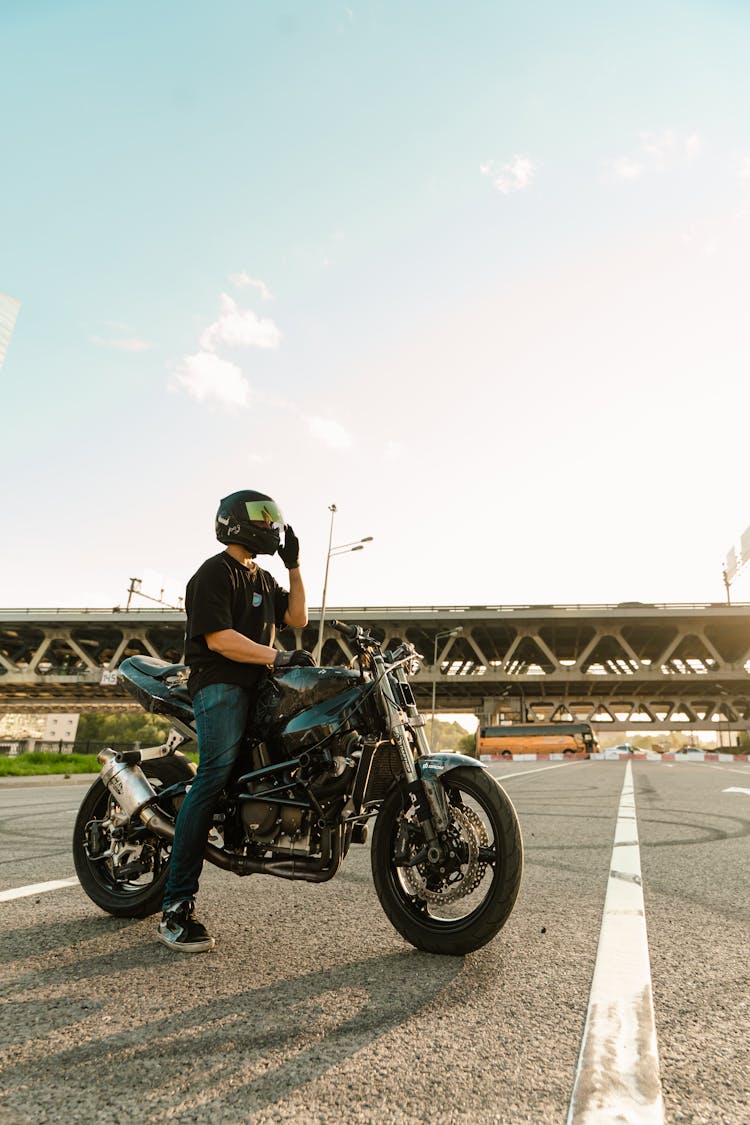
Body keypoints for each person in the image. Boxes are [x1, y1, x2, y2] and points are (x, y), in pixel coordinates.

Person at [157, 489, 312, 953]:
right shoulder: (214, 572)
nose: (271, 526)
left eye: (274, 519)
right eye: (263, 518)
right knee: (213, 775)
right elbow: (221, 638)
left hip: (259, 685)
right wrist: (278, 655)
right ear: (235, 521)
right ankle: (176, 907)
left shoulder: (262, 577)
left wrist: (294, 566)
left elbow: (299, 616)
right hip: (220, 682)